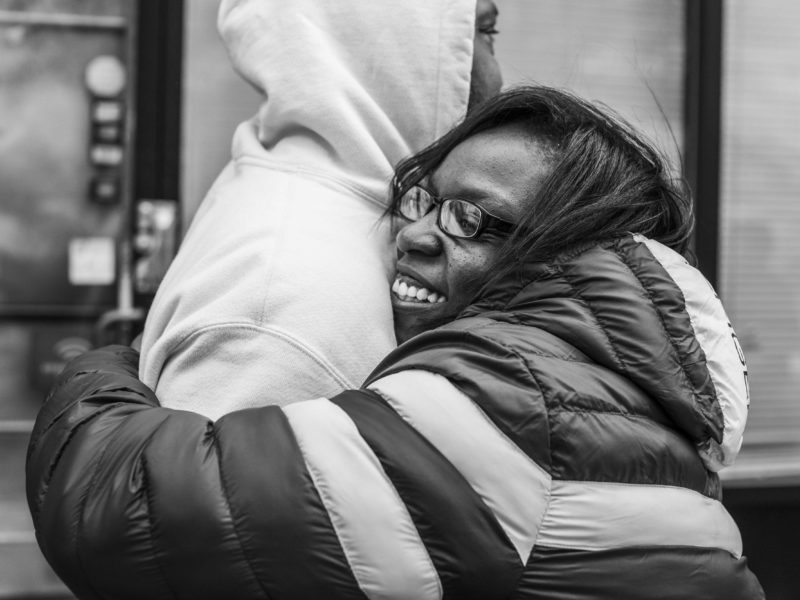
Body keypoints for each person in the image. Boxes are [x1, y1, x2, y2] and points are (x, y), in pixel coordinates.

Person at [27, 86, 764, 599]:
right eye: (425, 200)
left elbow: (124, 517)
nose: (414, 234)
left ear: (559, 252)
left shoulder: (511, 406)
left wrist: (111, 362)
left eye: (470, 221)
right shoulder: (604, 381)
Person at [138, 0, 502, 420]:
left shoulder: (329, 208)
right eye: (484, 33)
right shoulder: (287, 302)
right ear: (405, 47)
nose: (498, 75)